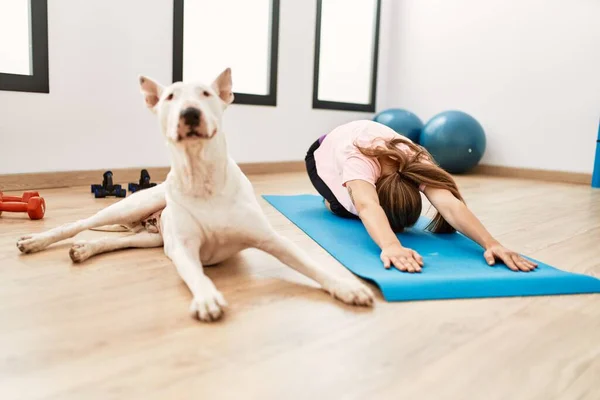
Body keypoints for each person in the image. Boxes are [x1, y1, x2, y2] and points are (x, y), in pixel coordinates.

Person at [304, 120, 537, 273]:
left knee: (361, 200)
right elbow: (367, 205)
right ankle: (333, 200)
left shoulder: (414, 160)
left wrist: (492, 243)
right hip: (322, 150)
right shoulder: (359, 162)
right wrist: (391, 245)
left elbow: (449, 205)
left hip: (363, 142)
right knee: (348, 209)